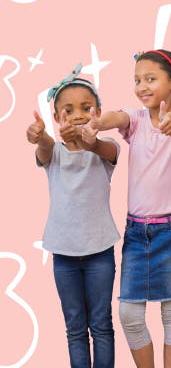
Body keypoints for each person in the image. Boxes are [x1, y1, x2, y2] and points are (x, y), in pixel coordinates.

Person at [89, 49, 171, 368]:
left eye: (150, 79)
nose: (142, 86)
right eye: (137, 80)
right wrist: (96, 121)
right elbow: (115, 117)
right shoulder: (137, 119)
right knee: (129, 313)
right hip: (137, 231)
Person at [27, 65, 119, 367]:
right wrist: (39, 136)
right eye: (68, 110)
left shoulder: (106, 149)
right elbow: (45, 146)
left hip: (100, 252)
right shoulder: (53, 152)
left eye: (86, 108)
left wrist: (89, 140)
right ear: (56, 118)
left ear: (99, 111)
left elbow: (104, 149)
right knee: (75, 327)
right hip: (64, 254)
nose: (78, 114)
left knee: (102, 324)